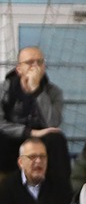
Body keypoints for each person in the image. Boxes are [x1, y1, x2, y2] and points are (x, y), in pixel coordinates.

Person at [0, 46, 68, 184]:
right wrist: (29, 132)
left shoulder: (53, 92)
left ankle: (59, 189)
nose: (35, 67)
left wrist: (37, 92)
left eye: (40, 62)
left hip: (41, 140)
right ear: (19, 69)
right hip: (12, 137)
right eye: (30, 62)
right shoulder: (4, 89)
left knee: (57, 139)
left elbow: (53, 123)